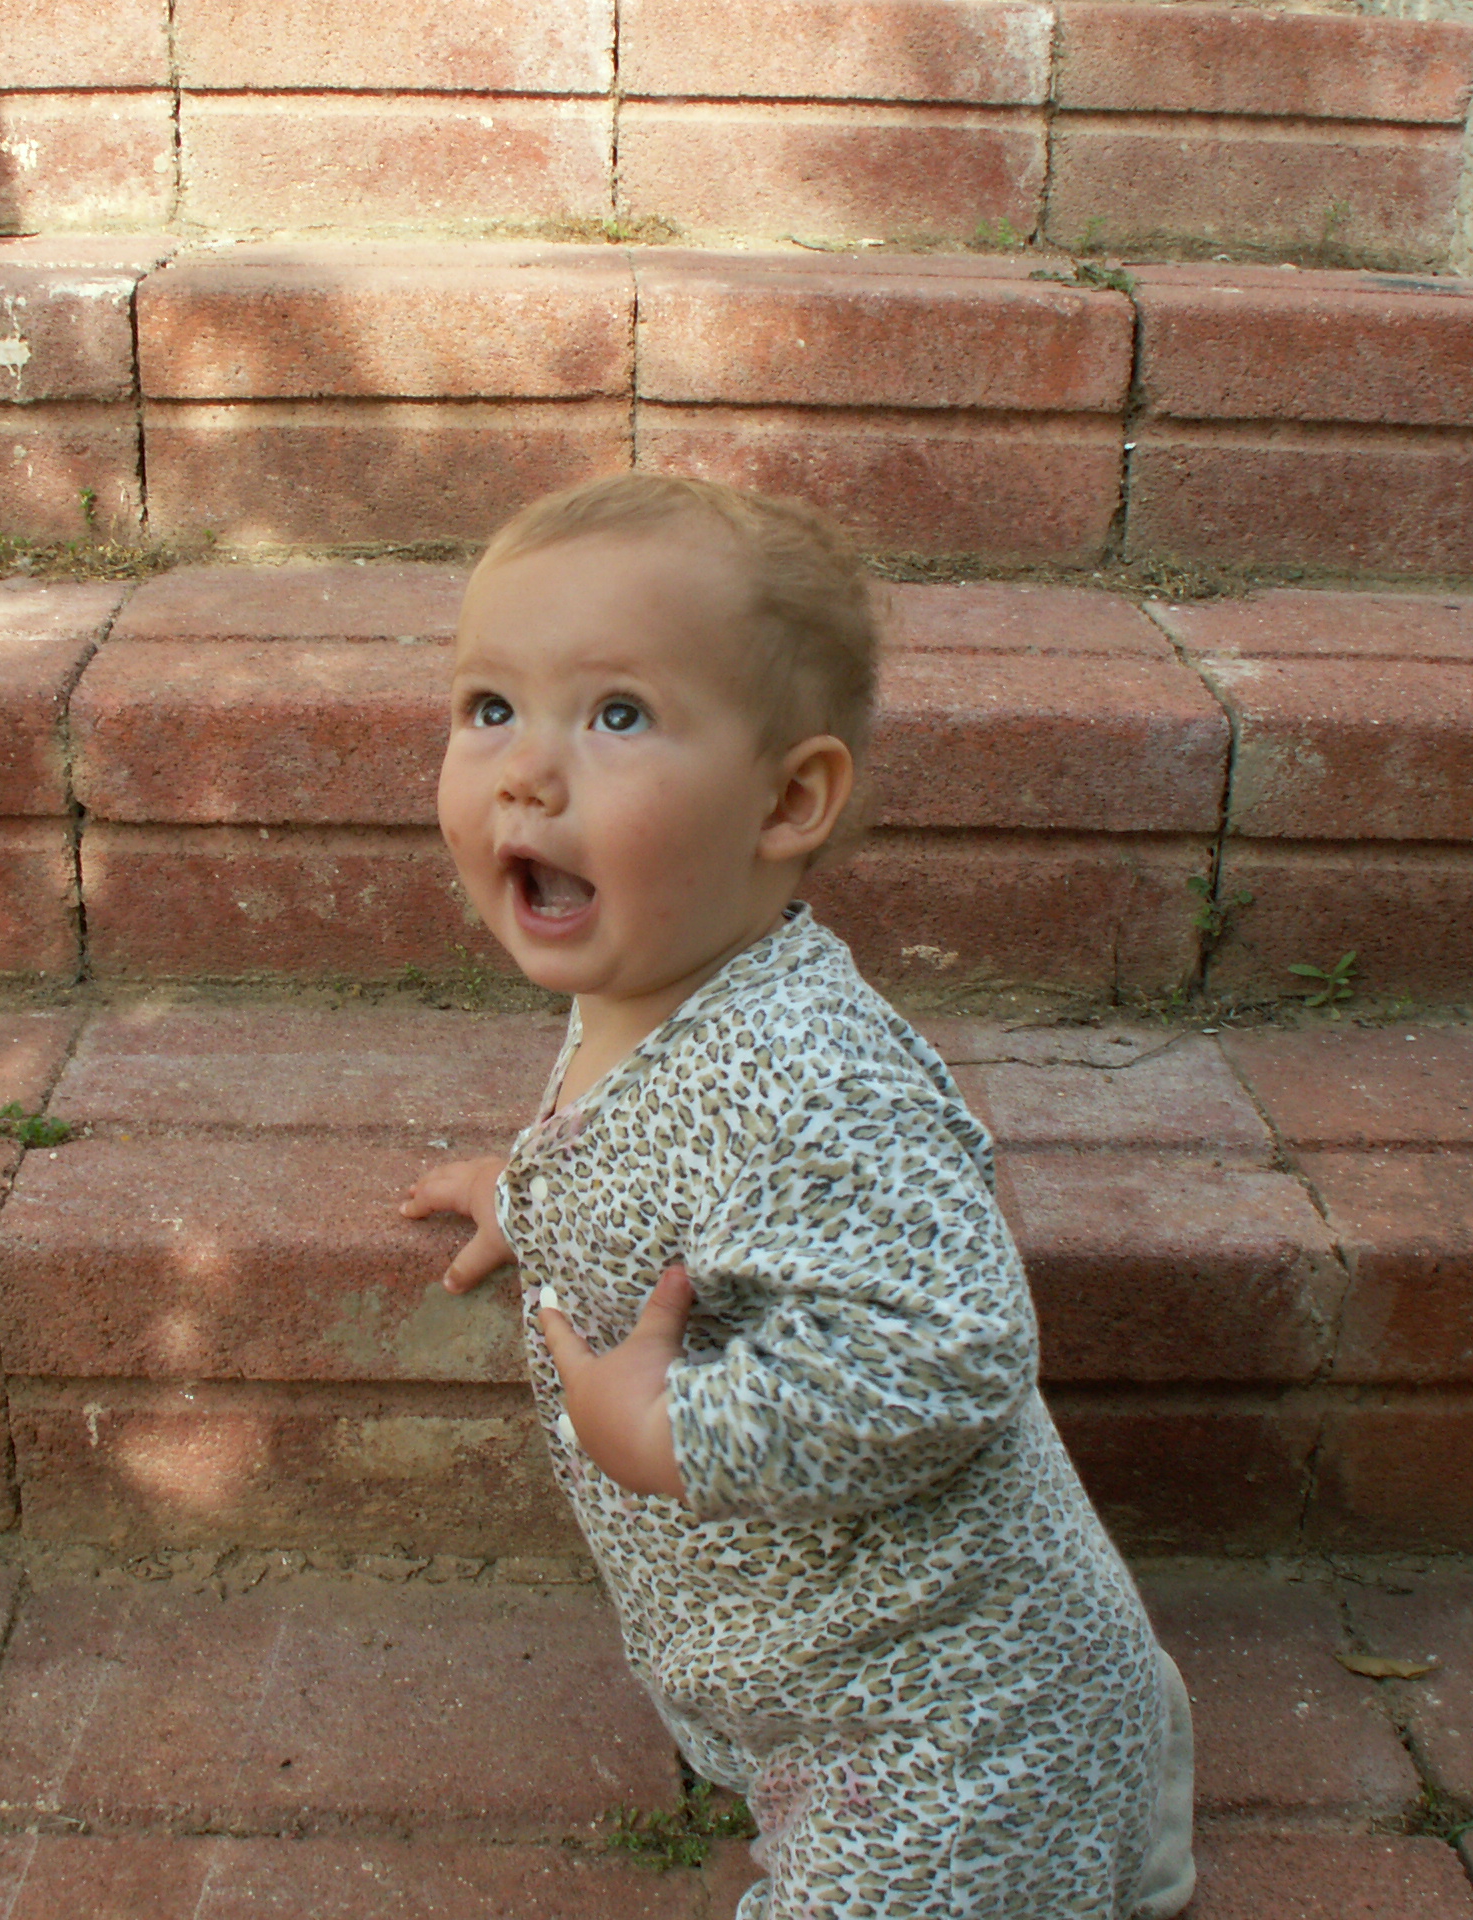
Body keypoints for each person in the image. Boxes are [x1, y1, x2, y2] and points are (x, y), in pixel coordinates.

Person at [400, 474, 1195, 1919]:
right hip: (811, 1677)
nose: (525, 773)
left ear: (786, 801)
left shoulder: (816, 1079)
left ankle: (1087, 1815)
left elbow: (949, 1349)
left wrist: (673, 1429)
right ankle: (1110, 1821)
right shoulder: (655, 974)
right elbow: (645, 1160)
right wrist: (532, 1196)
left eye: (618, 714)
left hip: (947, 1728)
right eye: (490, 707)